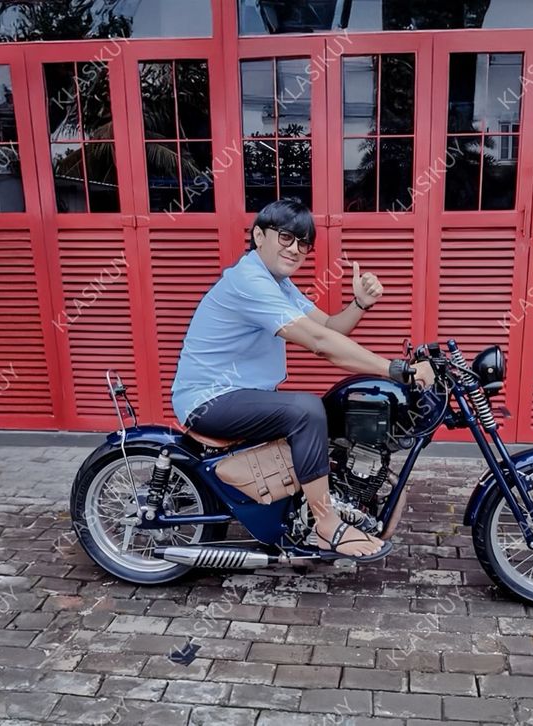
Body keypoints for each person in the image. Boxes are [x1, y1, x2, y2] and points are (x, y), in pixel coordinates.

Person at [172, 198, 434, 562]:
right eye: (286, 237)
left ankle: (324, 501)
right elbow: (320, 343)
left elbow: (328, 327)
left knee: (327, 411)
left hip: (239, 394)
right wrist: (396, 369)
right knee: (306, 410)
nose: (295, 249)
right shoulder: (249, 281)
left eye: (304, 243)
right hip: (209, 399)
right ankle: (326, 525)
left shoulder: (278, 284)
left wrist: (358, 304)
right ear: (258, 236)